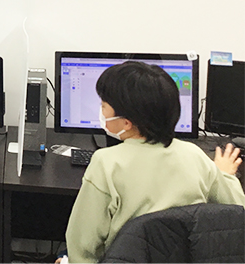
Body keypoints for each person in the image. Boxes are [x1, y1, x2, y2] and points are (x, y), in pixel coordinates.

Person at [63, 61, 245, 263]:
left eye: (103, 106)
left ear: (126, 122)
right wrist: (226, 175)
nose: (101, 112)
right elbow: (236, 214)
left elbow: (82, 245)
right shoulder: (195, 155)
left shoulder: (106, 163)